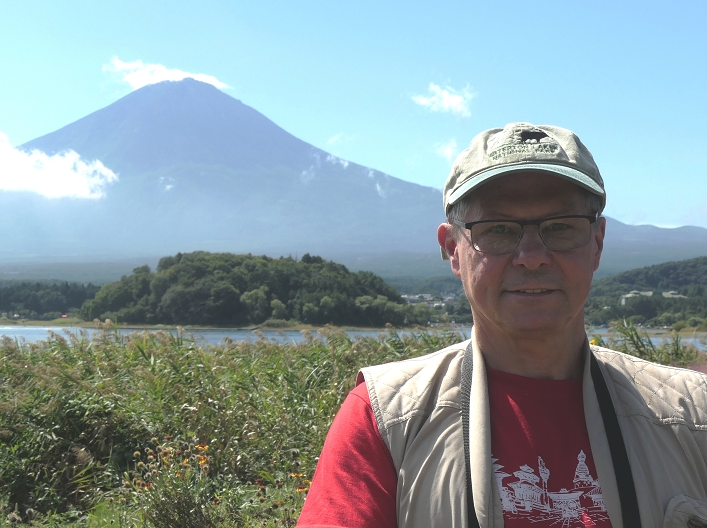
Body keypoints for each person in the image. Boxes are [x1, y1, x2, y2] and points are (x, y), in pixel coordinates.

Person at [297, 122, 707, 527]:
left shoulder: (693, 415)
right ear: (452, 250)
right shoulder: (387, 420)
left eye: (560, 227)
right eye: (497, 230)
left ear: (597, 242)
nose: (531, 255)